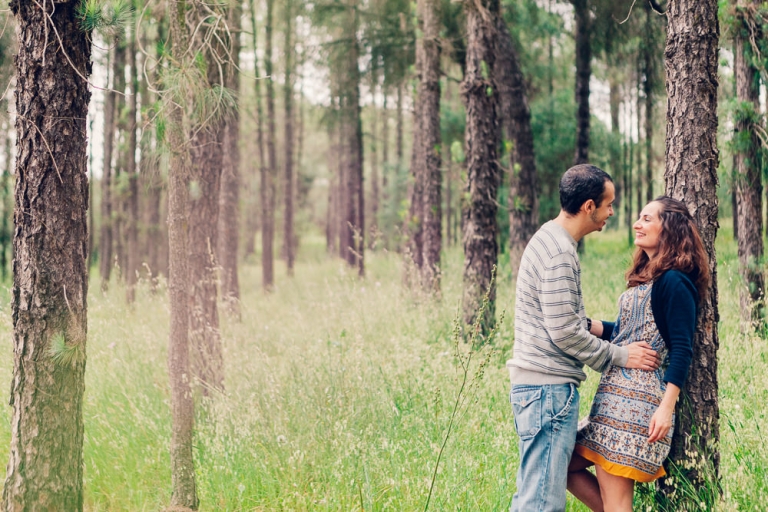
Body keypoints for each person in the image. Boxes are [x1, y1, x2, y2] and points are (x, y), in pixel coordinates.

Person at [507, 164, 660, 512]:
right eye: (608, 204)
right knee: (541, 501)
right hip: (546, 389)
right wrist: (620, 355)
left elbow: (567, 320)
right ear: (589, 206)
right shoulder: (560, 252)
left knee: (535, 491)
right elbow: (564, 332)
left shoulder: (550, 239)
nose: (612, 212)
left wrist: (602, 328)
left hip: (539, 388)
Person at [567, 196, 710, 512]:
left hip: (634, 407)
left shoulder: (674, 281)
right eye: (639, 217)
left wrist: (666, 408)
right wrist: (585, 324)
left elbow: (683, 347)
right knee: (562, 463)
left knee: (616, 503)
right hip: (611, 402)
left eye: (647, 218)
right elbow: (625, 330)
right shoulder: (652, 276)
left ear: (668, 227)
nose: (637, 223)